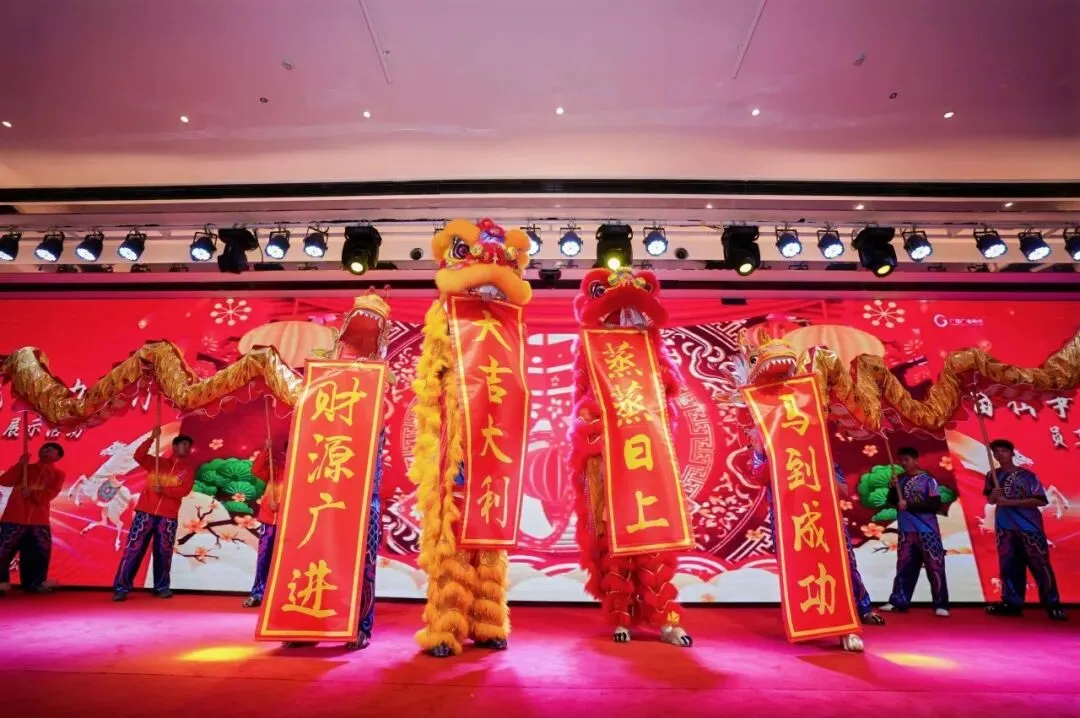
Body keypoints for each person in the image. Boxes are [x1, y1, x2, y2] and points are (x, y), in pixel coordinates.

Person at [984, 439, 1066, 621]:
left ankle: (1052, 604)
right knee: (1009, 566)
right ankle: (1012, 603)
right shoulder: (992, 475)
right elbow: (990, 499)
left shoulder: (1028, 476)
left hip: (1029, 527)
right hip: (1005, 528)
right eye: (996, 452)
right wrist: (994, 496)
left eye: (1003, 451)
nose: (999, 455)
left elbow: (1040, 500)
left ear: (1012, 453)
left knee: (1040, 565)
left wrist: (1010, 502)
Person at [112, 429, 196, 601]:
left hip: (168, 517)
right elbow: (138, 455)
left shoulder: (187, 471)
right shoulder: (156, 463)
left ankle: (161, 587)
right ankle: (121, 588)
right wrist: (151, 438)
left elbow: (184, 490)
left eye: (189, 446)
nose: (187, 448)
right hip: (145, 514)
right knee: (133, 550)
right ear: (174, 446)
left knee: (163, 552)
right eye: (184, 444)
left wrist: (163, 489)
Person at [880, 446, 950, 616]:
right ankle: (898, 601)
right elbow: (892, 501)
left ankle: (941, 604)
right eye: (901, 460)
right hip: (906, 531)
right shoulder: (900, 479)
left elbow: (935, 505)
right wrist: (892, 488)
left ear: (916, 460)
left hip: (927, 531)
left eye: (907, 460)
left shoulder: (928, 480)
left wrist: (910, 505)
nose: (903, 463)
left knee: (935, 567)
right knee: (904, 567)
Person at [0, 442, 65, 594]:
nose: (46, 450)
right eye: (44, 448)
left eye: (51, 450)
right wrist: (20, 465)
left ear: (58, 457)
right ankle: (1, 582)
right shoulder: (26, 469)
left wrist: (33, 493)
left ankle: (34, 583)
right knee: (3, 551)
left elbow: (50, 494)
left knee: (37, 553)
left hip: (39, 520)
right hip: (14, 517)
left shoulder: (57, 474)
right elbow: (4, 481)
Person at [244, 438, 287, 609]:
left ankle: (281, 596)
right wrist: (266, 450)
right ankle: (258, 593)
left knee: (286, 561)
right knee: (264, 559)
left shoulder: (304, 472)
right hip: (269, 520)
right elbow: (256, 470)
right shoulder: (275, 467)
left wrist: (282, 506)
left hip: (289, 522)